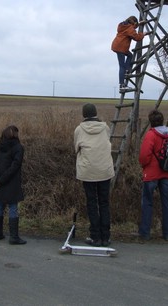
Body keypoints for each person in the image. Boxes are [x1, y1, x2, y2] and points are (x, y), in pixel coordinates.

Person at [74, 103, 115, 247]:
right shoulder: (105, 128)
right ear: (96, 113)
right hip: (104, 170)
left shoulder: (79, 130)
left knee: (92, 203)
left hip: (88, 171)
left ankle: (95, 237)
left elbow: (76, 148)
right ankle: (106, 237)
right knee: (104, 203)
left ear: (84, 114)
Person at [138, 109, 168, 241]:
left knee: (147, 202)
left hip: (152, 173)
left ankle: (145, 232)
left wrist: (144, 165)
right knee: (166, 202)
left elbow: (144, 155)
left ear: (151, 121)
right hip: (167, 172)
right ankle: (167, 233)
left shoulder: (151, 135)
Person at [0, 125, 27, 245]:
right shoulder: (18, 148)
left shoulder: (0, 147)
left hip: (0, 182)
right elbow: (15, 166)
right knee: (12, 207)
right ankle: (14, 237)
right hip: (11, 182)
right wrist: (0, 180)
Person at [111, 15, 146, 92]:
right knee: (121, 66)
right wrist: (143, 34)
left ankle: (127, 70)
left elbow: (131, 28)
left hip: (117, 45)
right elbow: (137, 37)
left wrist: (139, 23)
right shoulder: (129, 28)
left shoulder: (123, 25)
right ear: (133, 22)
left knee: (130, 55)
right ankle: (122, 85)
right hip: (121, 48)